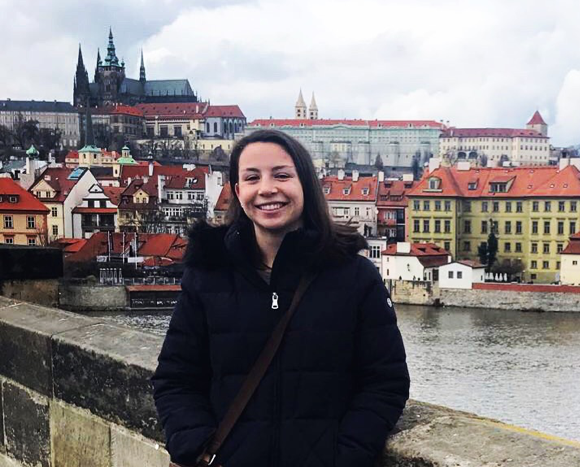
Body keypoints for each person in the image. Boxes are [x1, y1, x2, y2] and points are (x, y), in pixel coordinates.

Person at [152, 129, 410, 467]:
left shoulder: (355, 277)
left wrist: (344, 457)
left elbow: (386, 382)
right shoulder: (208, 275)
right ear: (238, 190)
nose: (267, 189)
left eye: (282, 175)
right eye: (252, 177)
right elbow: (175, 378)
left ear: (305, 184)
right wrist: (196, 445)